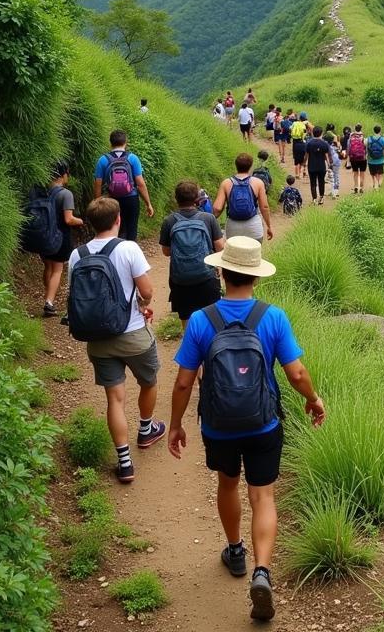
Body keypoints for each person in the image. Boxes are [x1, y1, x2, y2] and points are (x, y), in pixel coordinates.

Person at [168, 236, 325, 622]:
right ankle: (262, 571)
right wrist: (313, 398)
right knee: (264, 495)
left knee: (226, 483)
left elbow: (185, 382)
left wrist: (174, 425)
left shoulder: (203, 319)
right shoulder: (272, 317)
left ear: (221, 272)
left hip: (219, 425)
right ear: (256, 276)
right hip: (263, 422)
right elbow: (296, 372)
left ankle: (235, 550)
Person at [69, 196, 165, 484]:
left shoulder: (77, 255)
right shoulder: (128, 248)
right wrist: (142, 304)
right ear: (118, 219)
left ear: (90, 223)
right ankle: (146, 430)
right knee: (149, 381)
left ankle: (124, 462)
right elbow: (146, 290)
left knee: (115, 398)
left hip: (98, 338)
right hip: (133, 333)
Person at [159, 180, 226, 329]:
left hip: (180, 280)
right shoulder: (208, 218)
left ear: (176, 199)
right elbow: (220, 246)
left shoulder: (169, 221)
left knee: (186, 318)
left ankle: (191, 346)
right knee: (212, 317)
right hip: (207, 278)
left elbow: (166, 251)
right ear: (197, 198)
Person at [41, 161, 86, 317]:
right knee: (57, 269)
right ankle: (49, 302)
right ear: (63, 174)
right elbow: (68, 219)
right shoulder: (65, 194)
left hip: (43, 235)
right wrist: (81, 221)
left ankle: (48, 295)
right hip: (60, 236)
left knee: (48, 266)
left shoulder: (43, 190)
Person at [93, 130, 154, 241]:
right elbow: (140, 183)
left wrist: (98, 202)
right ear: (126, 142)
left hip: (112, 200)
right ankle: (130, 254)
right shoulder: (133, 158)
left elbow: (98, 183)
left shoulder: (103, 160)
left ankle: (115, 253)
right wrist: (148, 203)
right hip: (131, 198)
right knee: (132, 228)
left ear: (110, 143)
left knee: (115, 229)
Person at [214, 153, 275, 243]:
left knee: (234, 255)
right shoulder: (258, 183)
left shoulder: (226, 183)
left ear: (236, 165)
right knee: (253, 255)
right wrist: (269, 226)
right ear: (250, 166)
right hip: (253, 226)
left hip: (233, 226)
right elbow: (264, 207)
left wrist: (210, 222)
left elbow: (217, 208)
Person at [304, 126, 331, 205]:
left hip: (311, 166)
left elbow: (306, 155)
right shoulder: (324, 144)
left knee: (313, 183)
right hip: (321, 167)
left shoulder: (309, 143)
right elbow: (326, 156)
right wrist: (329, 165)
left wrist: (304, 164)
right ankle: (321, 198)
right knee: (321, 182)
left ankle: (314, 199)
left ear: (313, 133)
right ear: (321, 133)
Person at [347, 124, 368, 193]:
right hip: (362, 158)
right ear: (361, 129)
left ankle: (356, 187)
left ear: (355, 129)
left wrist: (348, 157)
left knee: (355, 173)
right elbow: (366, 147)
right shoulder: (363, 137)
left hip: (353, 158)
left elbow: (348, 147)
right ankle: (361, 187)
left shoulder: (351, 137)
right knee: (362, 173)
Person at [367, 125, 384, 191]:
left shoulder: (369, 138)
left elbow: (365, 148)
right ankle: (378, 184)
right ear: (380, 130)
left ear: (373, 130)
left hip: (371, 160)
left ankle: (374, 183)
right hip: (380, 160)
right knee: (380, 173)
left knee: (373, 173)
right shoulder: (383, 139)